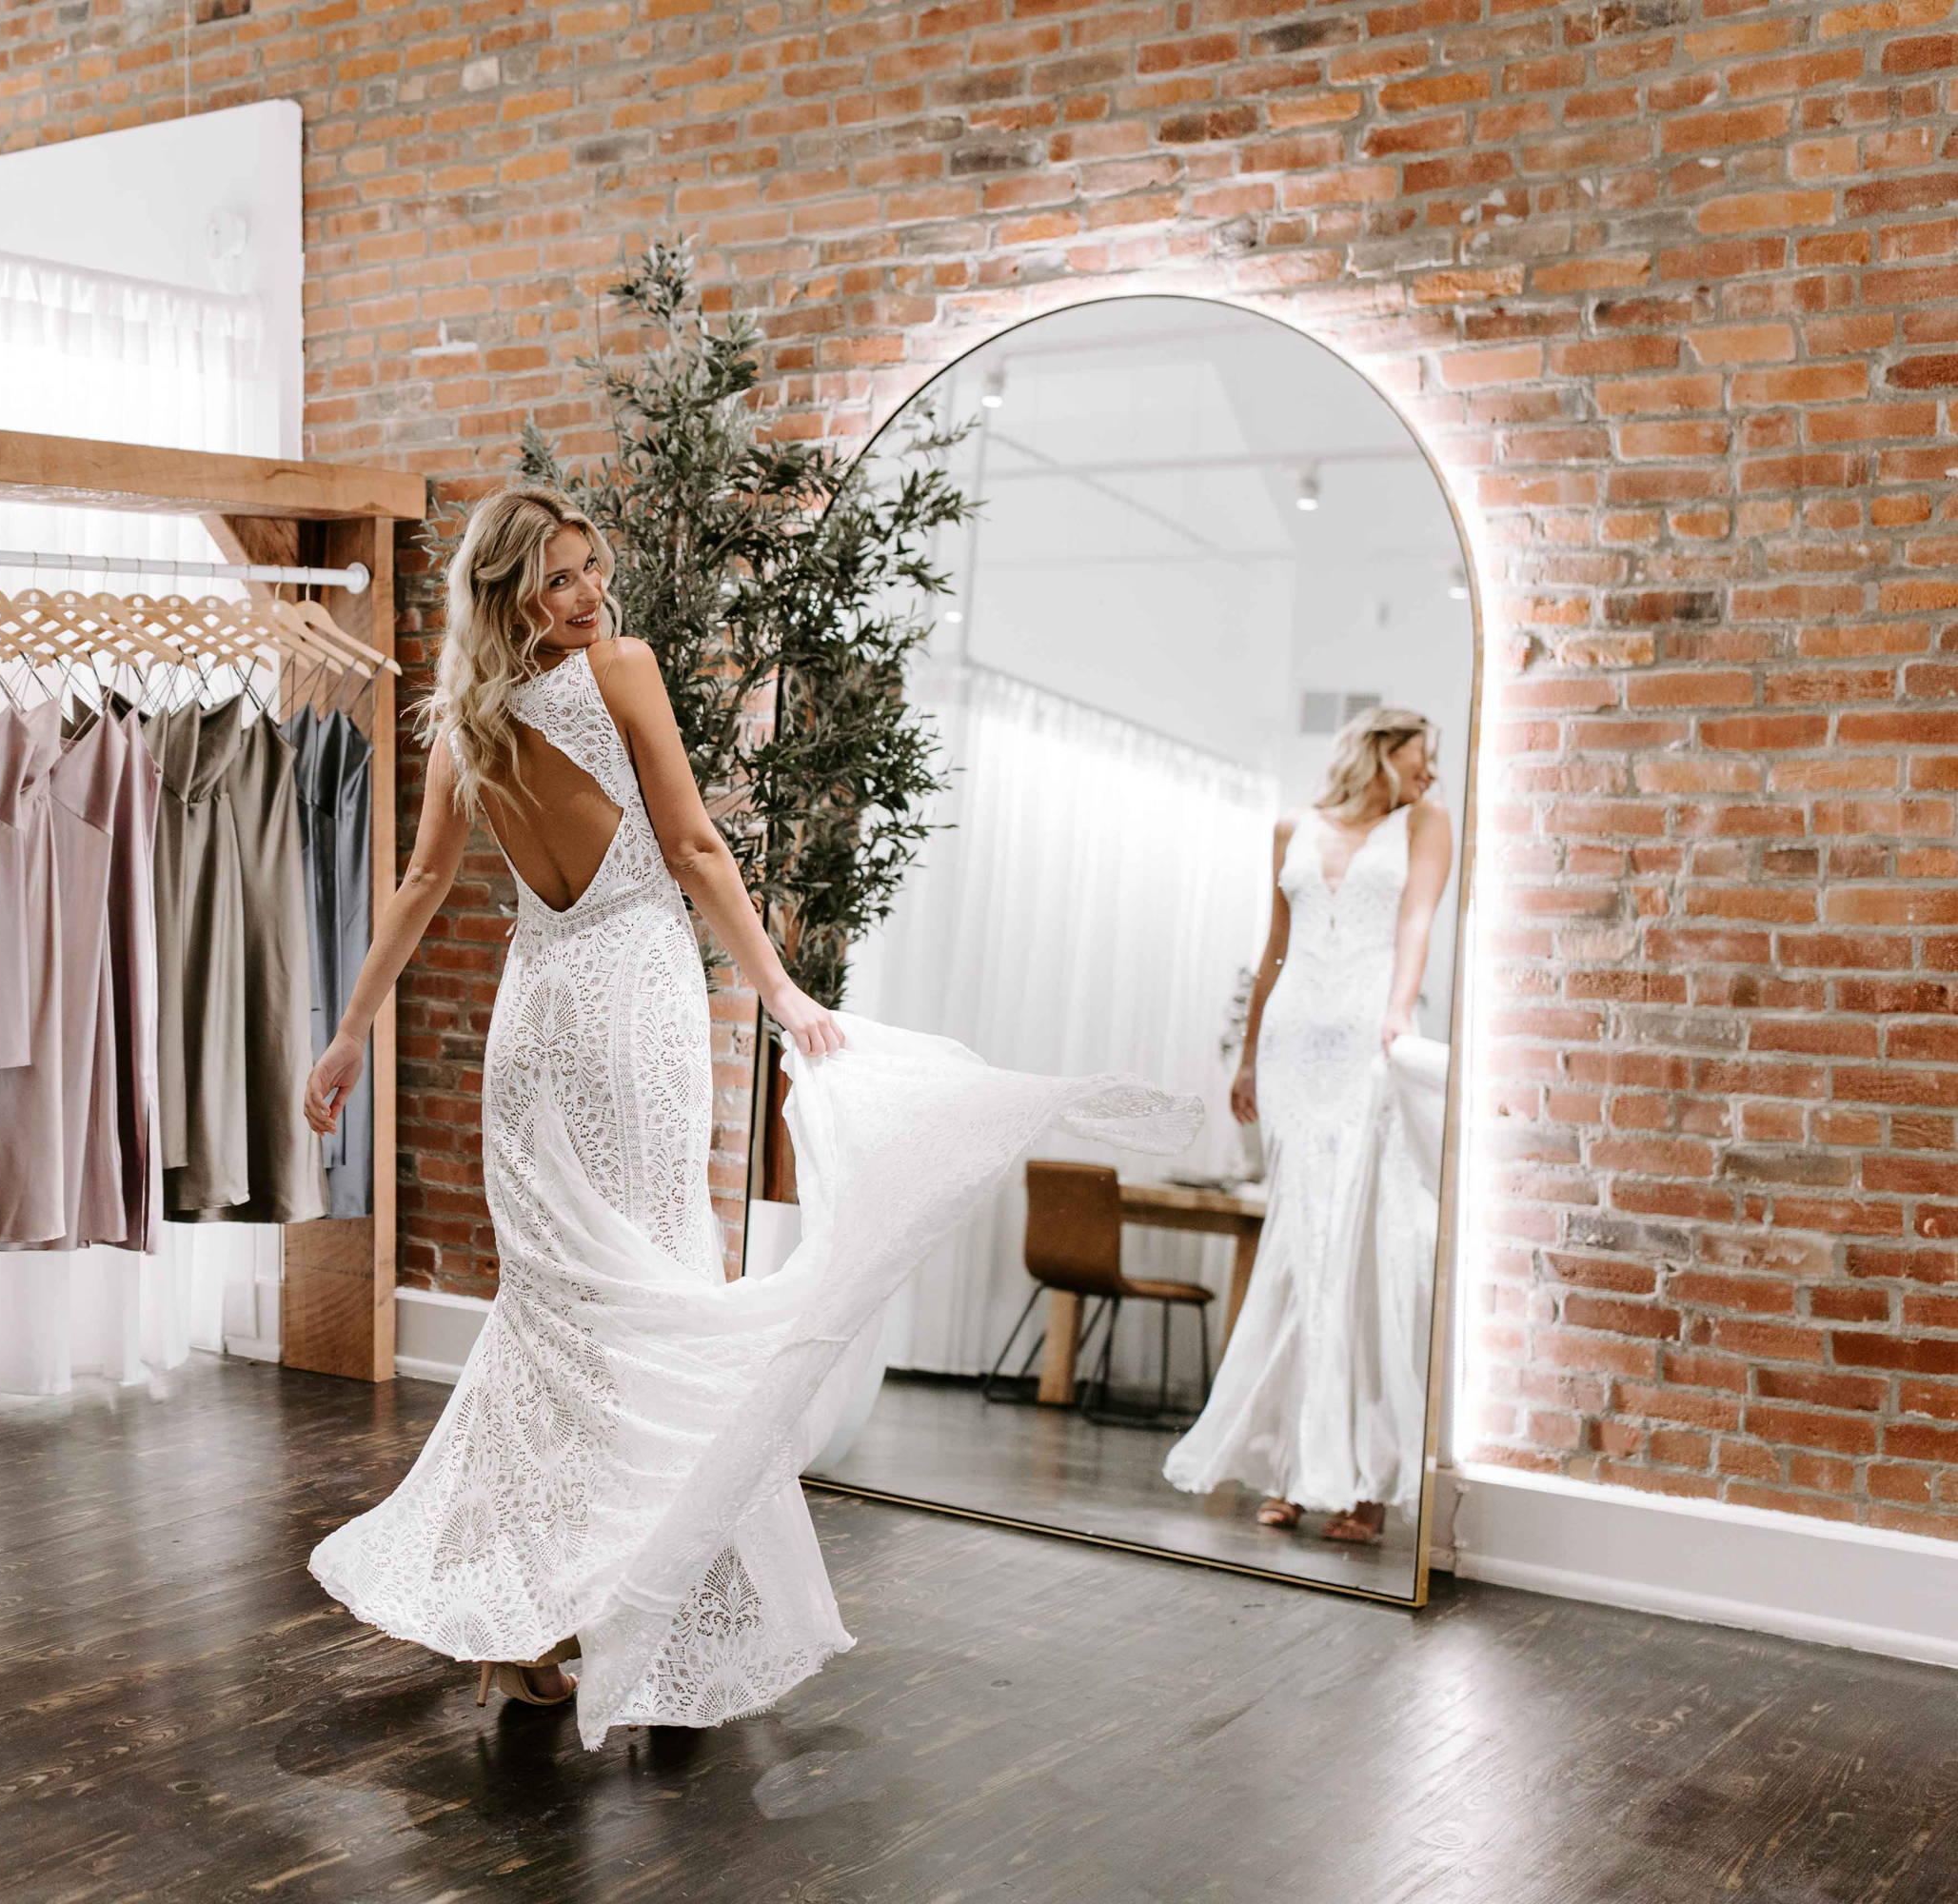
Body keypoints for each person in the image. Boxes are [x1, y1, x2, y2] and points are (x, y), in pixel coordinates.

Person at [302, 485, 1198, 1745]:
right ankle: (643, 1617)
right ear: (509, 592)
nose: (590, 595)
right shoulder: (621, 673)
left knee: (562, 1314)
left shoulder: (464, 720)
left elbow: (422, 883)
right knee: (647, 1295)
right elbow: (694, 848)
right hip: (628, 1005)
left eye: (592, 569)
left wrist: (352, 1031)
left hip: (535, 1017)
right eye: (558, 579)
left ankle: (534, 1633)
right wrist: (779, 990)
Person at [1161, 707, 1454, 1544]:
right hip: (1295, 1044)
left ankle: (1363, 1484)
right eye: (1420, 758)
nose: (1431, 774)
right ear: (1377, 753)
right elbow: (1276, 947)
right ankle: (1292, 1465)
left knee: (1360, 1250)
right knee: (1298, 1249)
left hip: (1369, 1039)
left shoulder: (1424, 824)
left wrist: (1398, 1014)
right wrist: (1250, 1056)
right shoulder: (1292, 826)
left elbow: (1417, 923)